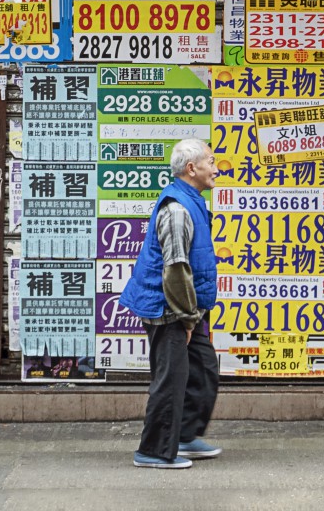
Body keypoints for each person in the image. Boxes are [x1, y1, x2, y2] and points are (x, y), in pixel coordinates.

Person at [118, 138, 222, 469]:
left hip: (187, 308)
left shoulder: (192, 201)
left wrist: (193, 317)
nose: (216, 169)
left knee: (204, 369)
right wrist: (188, 320)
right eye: (210, 162)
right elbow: (175, 270)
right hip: (169, 309)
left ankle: (184, 435)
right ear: (192, 168)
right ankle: (153, 450)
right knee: (171, 379)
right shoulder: (177, 209)